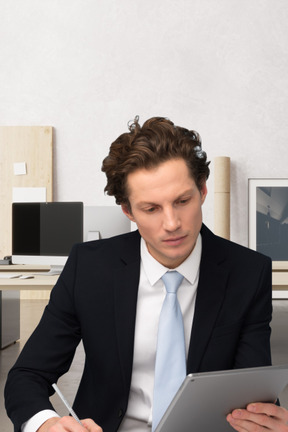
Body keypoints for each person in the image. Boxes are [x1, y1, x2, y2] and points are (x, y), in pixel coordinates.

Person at [5, 116, 288, 432]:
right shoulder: (89, 268)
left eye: (183, 201)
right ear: (127, 210)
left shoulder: (248, 272)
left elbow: (250, 393)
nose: (172, 223)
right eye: (151, 209)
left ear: (203, 190)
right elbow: (27, 375)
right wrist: (46, 424)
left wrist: (267, 421)